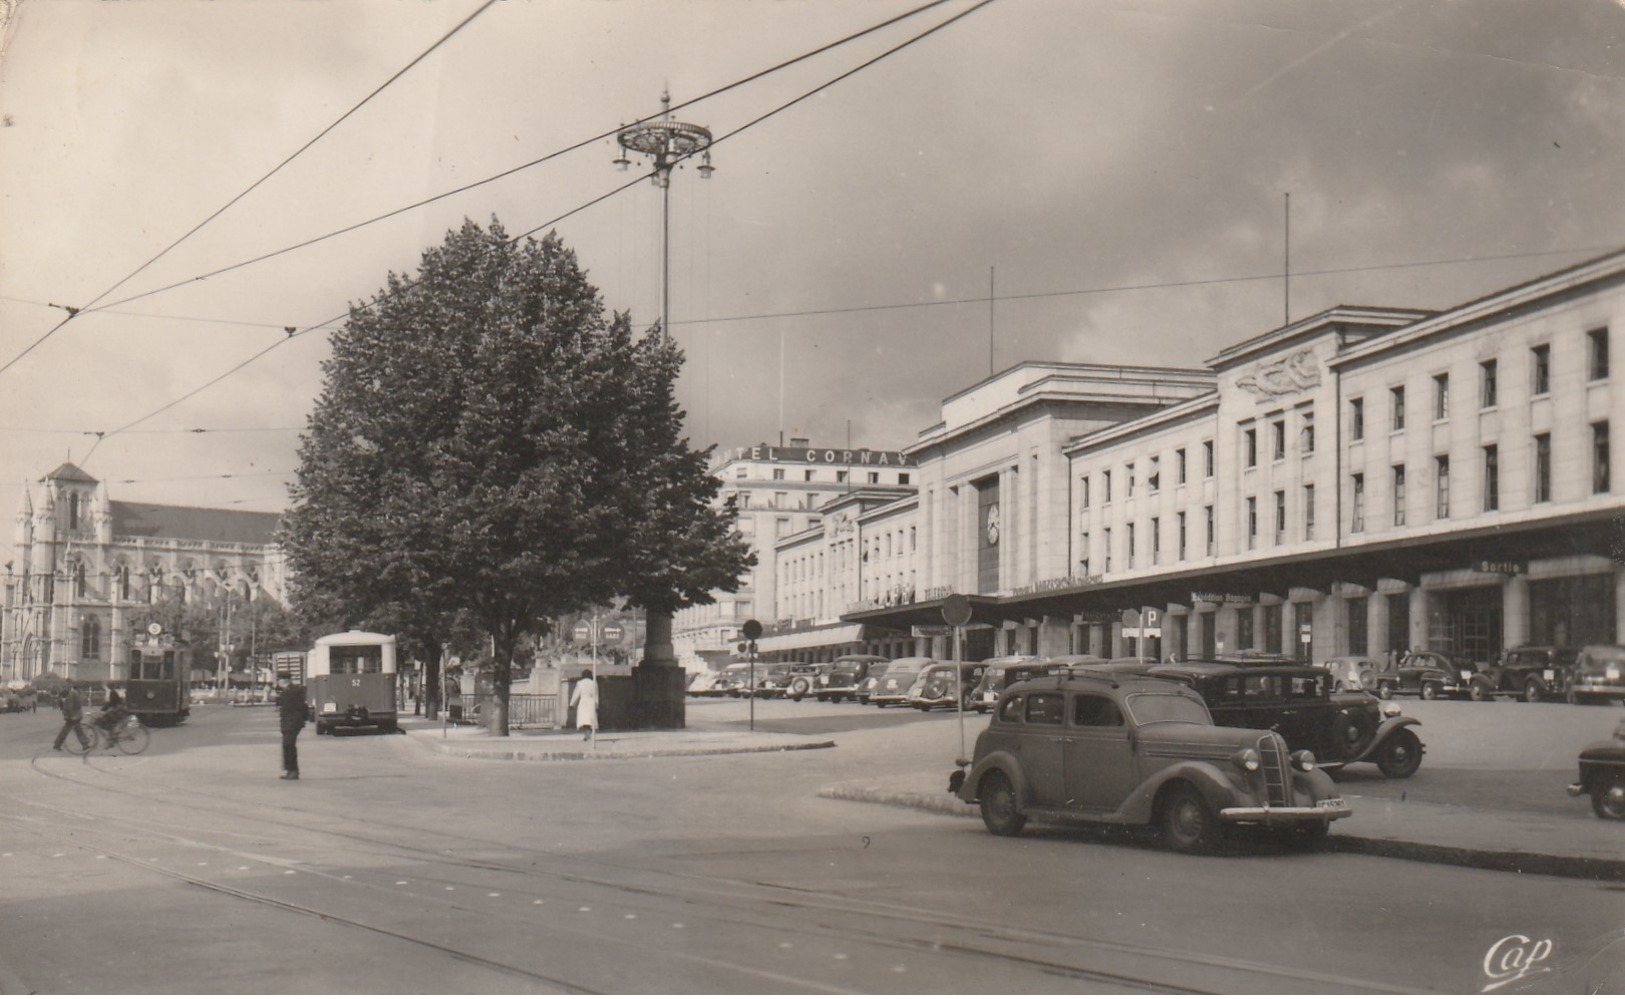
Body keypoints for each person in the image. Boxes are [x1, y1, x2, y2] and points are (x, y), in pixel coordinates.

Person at [276, 678, 307, 780]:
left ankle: (293, 771)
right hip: (288, 723)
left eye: (279, 681)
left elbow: (300, 707)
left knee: (288, 745)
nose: (277, 683)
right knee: (287, 746)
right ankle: (290, 770)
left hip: (292, 723)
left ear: (284, 681)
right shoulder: (287, 691)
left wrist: (299, 720)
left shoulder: (294, 692)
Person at [51, 686, 88, 752]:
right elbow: (70, 706)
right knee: (76, 730)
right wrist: (71, 716)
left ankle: (57, 744)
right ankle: (84, 744)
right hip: (73, 716)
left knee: (70, 730)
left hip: (72, 716)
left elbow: (69, 706)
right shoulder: (72, 694)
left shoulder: (72, 694)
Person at [569, 669, 598, 742]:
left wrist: (572, 704)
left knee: (585, 720)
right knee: (590, 720)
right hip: (591, 702)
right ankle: (588, 735)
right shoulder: (594, 683)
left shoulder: (580, 683)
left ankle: (587, 735)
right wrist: (597, 705)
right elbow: (596, 695)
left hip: (583, 702)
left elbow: (576, 694)